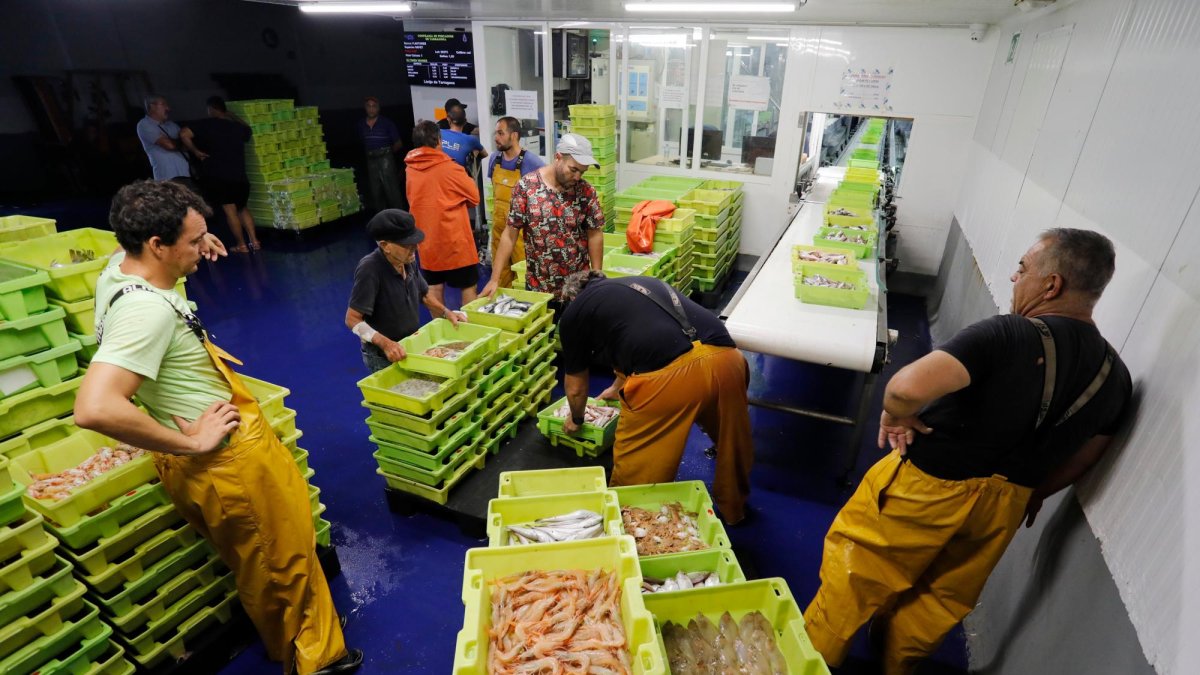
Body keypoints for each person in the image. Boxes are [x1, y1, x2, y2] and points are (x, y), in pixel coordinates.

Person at [803, 229, 1133, 675]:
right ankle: (893, 665)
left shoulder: (1010, 334)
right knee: (938, 600)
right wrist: (1036, 491)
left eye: (1022, 269)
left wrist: (897, 415)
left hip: (930, 486)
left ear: (1051, 284)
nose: (1015, 278)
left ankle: (808, 666)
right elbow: (1089, 454)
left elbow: (904, 388)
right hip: (1005, 506)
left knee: (854, 581)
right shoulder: (1116, 378)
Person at [73, 180, 361, 675]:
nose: (203, 248)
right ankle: (316, 659)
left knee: (261, 559)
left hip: (214, 456)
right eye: (193, 240)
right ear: (157, 246)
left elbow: (129, 240)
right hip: (224, 459)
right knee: (283, 560)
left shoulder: (119, 273)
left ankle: (288, 643)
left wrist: (195, 237)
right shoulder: (145, 313)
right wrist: (192, 442)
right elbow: (94, 407)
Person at [557, 271, 754, 524]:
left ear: (571, 297)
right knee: (732, 440)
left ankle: (633, 526)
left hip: (670, 378)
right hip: (728, 361)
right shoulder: (639, 285)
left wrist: (576, 418)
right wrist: (618, 387)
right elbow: (632, 335)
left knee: (638, 468)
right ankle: (734, 510)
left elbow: (575, 387)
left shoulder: (575, 312)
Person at [481, 133, 605, 302]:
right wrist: (495, 279)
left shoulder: (585, 192)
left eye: (582, 172)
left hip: (578, 288)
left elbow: (595, 233)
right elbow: (510, 234)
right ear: (558, 157)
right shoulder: (527, 187)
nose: (577, 177)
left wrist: (596, 278)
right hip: (539, 288)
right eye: (573, 169)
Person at [345, 209, 466, 373]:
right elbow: (352, 319)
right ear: (385, 246)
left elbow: (423, 294)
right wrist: (386, 344)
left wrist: (446, 312)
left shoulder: (407, 260)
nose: (414, 248)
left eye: (414, 242)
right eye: (407, 245)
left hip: (409, 343)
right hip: (383, 354)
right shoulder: (370, 269)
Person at [405, 120, 481, 310]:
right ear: (438, 141)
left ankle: (441, 333)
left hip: (427, 242)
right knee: (468, 287)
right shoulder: (451, 168)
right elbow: (475, 197)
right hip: (455, 243)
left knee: (434, 287)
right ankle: (472, 333)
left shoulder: (410, 169)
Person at [180, 96, 261, 253]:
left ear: (211, 109)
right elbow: (248, 129)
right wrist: (231, 115)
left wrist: (196, 152)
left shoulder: (206, 124)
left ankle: (241, 245)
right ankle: (255, 242)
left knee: (230, 210)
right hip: (241, 177)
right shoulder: (236, 127)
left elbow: (184, 133)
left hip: (221, 177)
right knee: (243, 208)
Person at [485, 117, 544, 287]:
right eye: (496, 133)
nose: (496, 137)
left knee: (524, 278)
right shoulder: (494, 159)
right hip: (498, 229)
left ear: (514, 135)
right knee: (500, 277)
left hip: (521, 235)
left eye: (501, 133)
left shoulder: (531, 162)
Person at [358, 95, 406, 213]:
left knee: (392, 190)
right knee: (376, 191)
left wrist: (386, 153)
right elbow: (363, 142)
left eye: (374, 106)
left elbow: (398, 143)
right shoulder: (360, 125)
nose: (371, 109)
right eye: (368, 106)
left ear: (378, 108)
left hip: (386, 158)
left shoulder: (387, 123)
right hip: (371, 159)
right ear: (365, 108)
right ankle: (382, 219)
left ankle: (400, 217)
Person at [136, 94, 192, 182]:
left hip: (187, 176)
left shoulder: (172, 125)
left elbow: (188, 146)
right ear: (152, 106)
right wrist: (183, 142)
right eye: (164, 104)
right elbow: (169, 145)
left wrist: (184, 143)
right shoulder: (144, 124)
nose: (168, 108)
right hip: (167, 179)